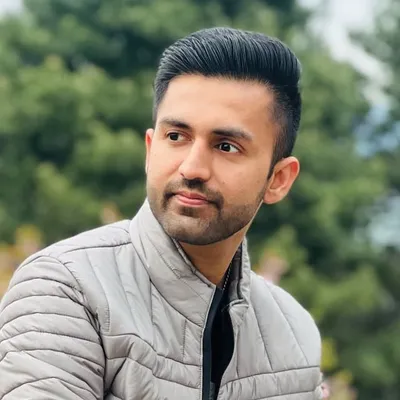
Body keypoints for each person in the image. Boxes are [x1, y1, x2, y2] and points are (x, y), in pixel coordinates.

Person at [0, 27, 323, 399]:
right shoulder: (67, 288)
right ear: (150, 149)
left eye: (226, 146)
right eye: (176, 137)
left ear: (279, 180)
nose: (192, 168)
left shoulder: (293, 334)